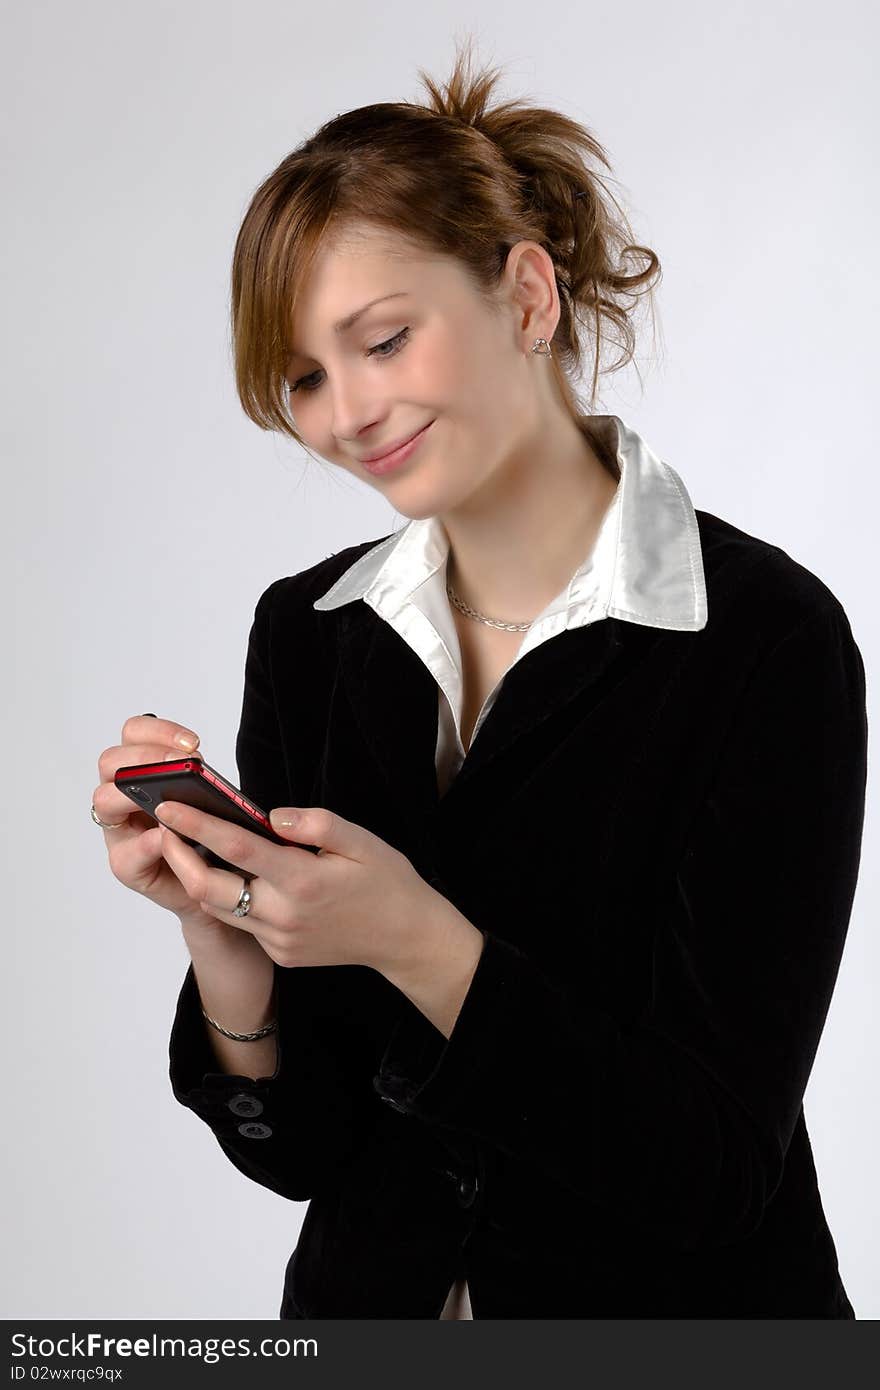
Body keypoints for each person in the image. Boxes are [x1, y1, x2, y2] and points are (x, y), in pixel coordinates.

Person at [92, 40, 868, 1319]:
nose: (347, 413)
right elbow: (308, 1156)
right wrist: (222, 935)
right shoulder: (311, 632)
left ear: (523, 294)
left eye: (383, 340)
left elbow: (716, 1168)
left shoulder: (765, 640)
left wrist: (416, 941)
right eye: (303, 378)